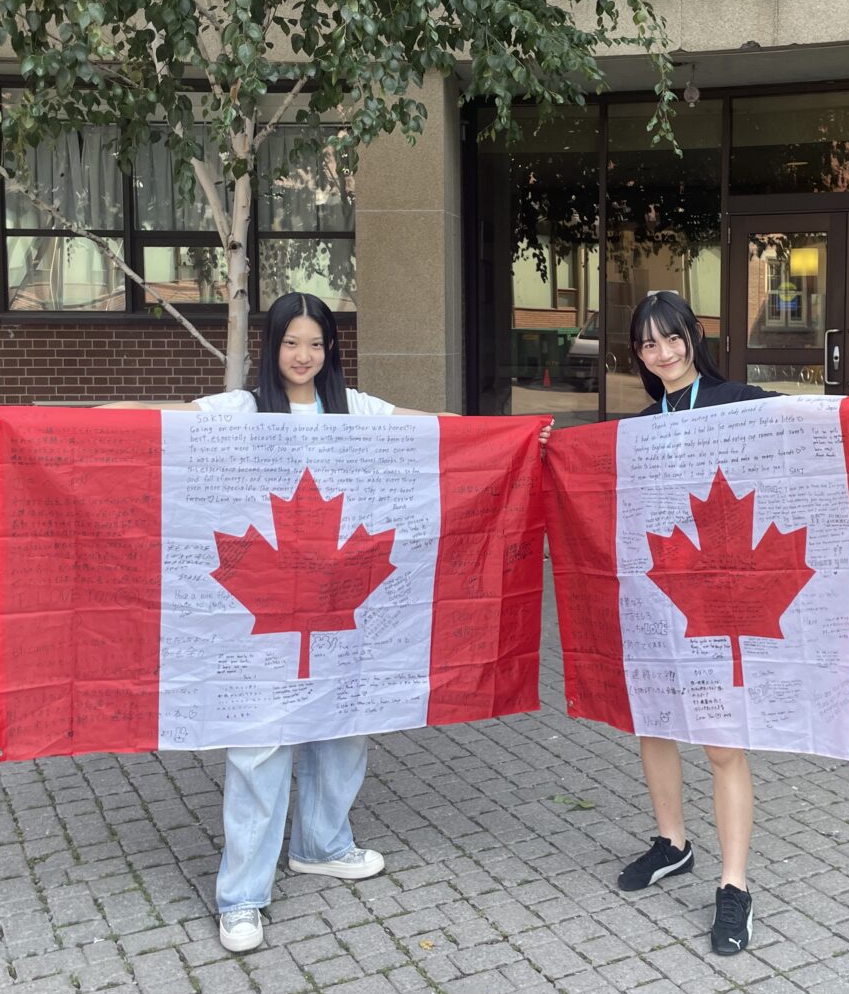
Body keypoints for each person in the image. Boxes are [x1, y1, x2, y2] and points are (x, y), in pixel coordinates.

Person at [101, 292, 549, 954]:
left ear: (330, 349)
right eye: (290, 343)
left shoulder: (354, 409)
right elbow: (175, 419)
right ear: (271, 347)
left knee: (344, 727)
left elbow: (428, 429)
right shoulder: (246, 408)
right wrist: (90, 416)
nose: (303, 356)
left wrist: (505, 433)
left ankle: (321, 845)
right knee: (260, 744)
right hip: (262, 612)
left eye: (315, 344)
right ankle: (242, 896)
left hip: (342, 600)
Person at [613, 290, 776, 957]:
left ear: (692, 336)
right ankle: (671, 842)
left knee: (719, 742)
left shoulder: (741, 402)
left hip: (723, 602)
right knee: (653, 720)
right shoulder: (643, 423)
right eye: (648, 345)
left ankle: (733, 885)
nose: (663, 354)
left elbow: (816, 438)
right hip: (660, 595)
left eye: (671, 338)